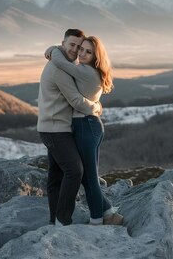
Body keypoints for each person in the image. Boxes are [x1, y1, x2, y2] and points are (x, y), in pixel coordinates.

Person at [45, 35, 124, 226]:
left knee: (89, 178)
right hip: (90, 125)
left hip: (85, 126)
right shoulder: (91, 71)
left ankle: (97, 220)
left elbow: (61, 63)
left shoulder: (85, 71)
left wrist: (53, 49)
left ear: (96, 56)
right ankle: (108, 211)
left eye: (88, 52)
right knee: (88, 177)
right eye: (81, 49)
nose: (82, 54)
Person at [37, 28, 102, 226]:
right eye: (72, 45)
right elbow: (75, 100)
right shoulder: (59, 70)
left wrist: (54, 50)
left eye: (79, 47)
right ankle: (62, 219)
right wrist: (96, 107)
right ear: (63, 43)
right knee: (75, 171)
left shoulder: (63, 62)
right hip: (56, 129)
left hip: (53, 126)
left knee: (56, 175)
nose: (76, 50)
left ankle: (54, 220)